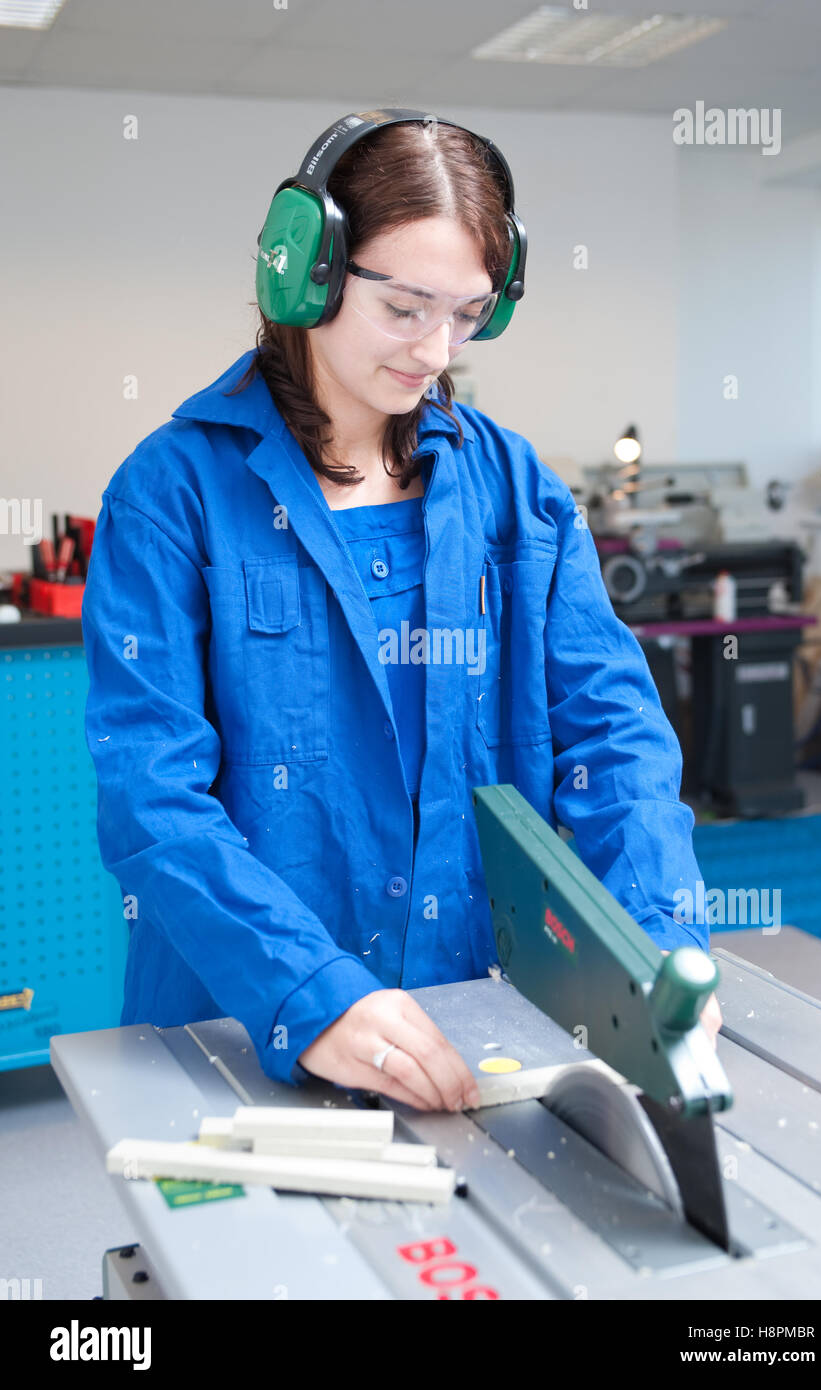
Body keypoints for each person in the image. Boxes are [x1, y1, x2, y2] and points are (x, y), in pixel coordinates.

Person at [81, 112, 720, 1118]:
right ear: (307, 273)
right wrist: (309, 992)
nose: (437, 349)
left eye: (467, 314)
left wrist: (659, 948)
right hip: (237, 1029)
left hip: (471, 1019)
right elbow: (150, 798)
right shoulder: (172, 493)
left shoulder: (516, 491)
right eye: (406, 307)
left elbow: (616, 737)